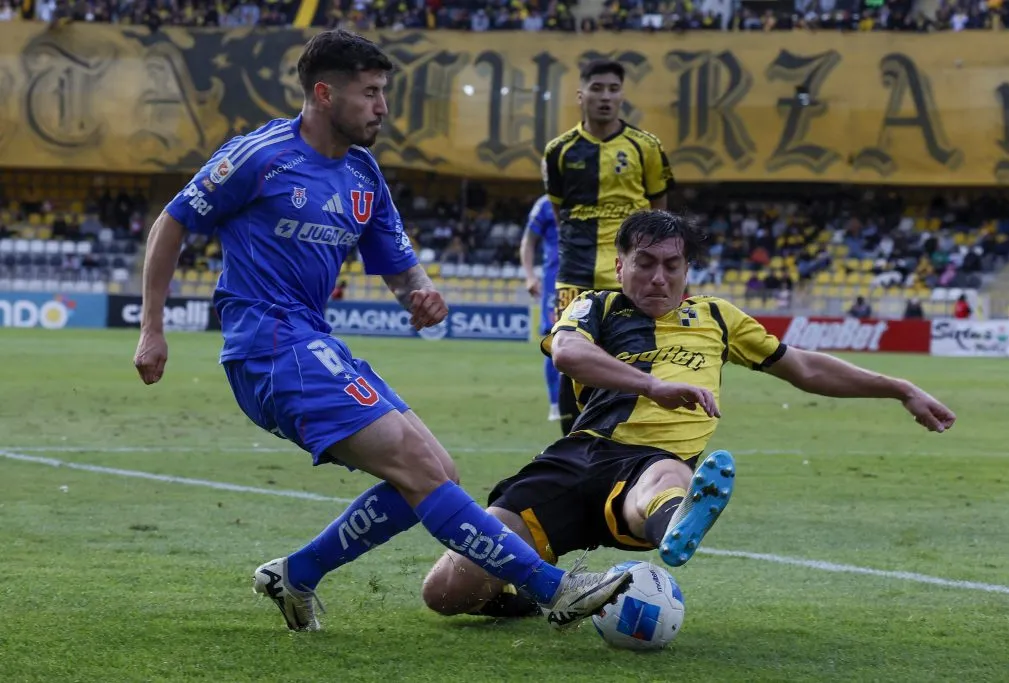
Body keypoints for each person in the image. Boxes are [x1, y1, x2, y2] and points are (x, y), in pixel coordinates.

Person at [131, 28, 633, 633]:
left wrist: (419, 295)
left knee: (437, 474)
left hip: (312, 341)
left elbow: (400, 266)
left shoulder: (363, 175)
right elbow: (172, 222)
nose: (382, 107)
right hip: (268, 346)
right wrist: (152, 328)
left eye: (383, 92)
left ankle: (297, 574)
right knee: (419, 466)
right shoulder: (259, 157)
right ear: (323, 94)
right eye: (370, 93)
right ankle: (554, 589)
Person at [421, 209, 956, 618]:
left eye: (672, 266)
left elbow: (806, 369)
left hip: (654, 462)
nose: (658, 278)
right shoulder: (594, 306)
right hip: (574, 457)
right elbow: (567, 353)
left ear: (687, 269)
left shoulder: (719, 318)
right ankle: (523, 594)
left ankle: (677, 521)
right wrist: (653, 384)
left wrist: (898, 387)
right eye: (646, 264)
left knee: (668, 477)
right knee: (443, 594)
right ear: (620, 264)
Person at [544, 58, 675, 437]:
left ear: (622, 95)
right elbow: (560, 213)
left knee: (635, 352)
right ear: (581, 95)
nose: (605, 97)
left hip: (630, 272)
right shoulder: (559, 151)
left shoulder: (645, 146)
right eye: (597, 88)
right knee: (566, 353)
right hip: (576, 269)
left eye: (613, 89)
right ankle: (572, 440)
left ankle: (631, 440)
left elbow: (659, 214)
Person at [520, 194, 560, 421]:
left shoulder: (592, 197)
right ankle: (555, 403)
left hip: (590, 280)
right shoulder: (544, 204)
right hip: (555, 284)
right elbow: (528, 241)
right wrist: (529, 275)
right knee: (554, 341)